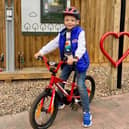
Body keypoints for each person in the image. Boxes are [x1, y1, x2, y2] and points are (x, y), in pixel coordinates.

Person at [34, 7, 92, 127]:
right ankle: (60, 101)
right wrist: (41, 52)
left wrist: (75, 57)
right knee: (60, 81)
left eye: (72, 20)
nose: (69, 22)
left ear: (77, 22)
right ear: (64, 21)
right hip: (67, 62)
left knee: (81, 86)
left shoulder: (80, 32)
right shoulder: (62, 33)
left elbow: (82, 47)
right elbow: (53, 44)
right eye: (67, 20)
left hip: (79, 62)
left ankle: (87, 112)